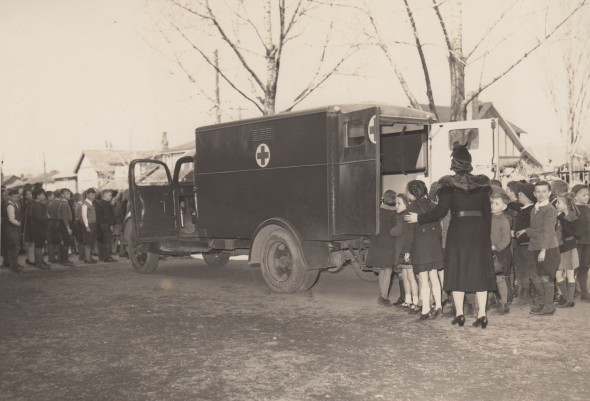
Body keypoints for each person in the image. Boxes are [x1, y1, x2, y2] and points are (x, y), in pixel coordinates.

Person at [405, 145, 496, 328]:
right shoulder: (482, 185)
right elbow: (487, 214)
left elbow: (440, 211)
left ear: (454, 164)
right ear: (469, 164)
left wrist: (419, 218)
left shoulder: (448, 185)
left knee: (457, 271)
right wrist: (486, 237)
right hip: (479, 231)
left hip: (459, 231)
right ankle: (482, 315)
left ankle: (460, 315)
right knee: (479, 272)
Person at [403, 180, 444, 321]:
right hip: (434, 246)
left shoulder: (411, 209)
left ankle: (426, 309)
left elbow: (409, 233)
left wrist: (407, 251)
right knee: (434, 277)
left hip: (421, 247)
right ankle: (438, 306)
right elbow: (439, 229)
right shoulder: (433, 206)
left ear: (412, 193)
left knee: (423, 279)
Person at [517, 181, 560, 316]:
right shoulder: (536, 207)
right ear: (534, 194)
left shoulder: (549, 210)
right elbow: (537, 228)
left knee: (547, 277)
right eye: (538, 192)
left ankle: (548, 306)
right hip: (536, 246)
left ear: (549, 193)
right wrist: (525, 231)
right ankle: (543, 303)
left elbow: (548, 231)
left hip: (547, 248)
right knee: (541, 276)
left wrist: (543, 250)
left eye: (544, 191)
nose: (541, 194)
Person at [365, 190, 398, 306]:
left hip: (377, 243)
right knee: (388, 270)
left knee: (381, 269)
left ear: (383, 199)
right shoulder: (396, 214)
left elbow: (369, 228)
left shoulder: (376, 212)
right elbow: (396, 231)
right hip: (389, 244)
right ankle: (383, 297)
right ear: (395, 200)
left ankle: (382, 294)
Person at [512, 183, 538, 304]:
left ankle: (538, 293)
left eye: (520, 194)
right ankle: (525, 291)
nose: (518, 195)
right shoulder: (523, 208)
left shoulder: (532, 210)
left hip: (528, 244)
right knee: (521, 268)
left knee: (530, 269)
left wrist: (519, 232)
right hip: (520, 244)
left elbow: (533, 227)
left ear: (526, 195)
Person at [394, 194, 419, 310]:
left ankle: (415, 301)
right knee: (404, 275)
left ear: (406, 204)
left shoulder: (407, 217)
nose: (396, 206)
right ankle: (408, 300)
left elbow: (409, 235)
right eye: (396, 203)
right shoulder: (401, 217)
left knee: (411, 276)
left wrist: (408, 251)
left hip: (408, 250)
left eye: (399, 203)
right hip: (404, 250)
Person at [554, 192, 579, 308]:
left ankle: (568, 299)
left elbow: (571, 232)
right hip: (562, 248)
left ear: (566, 204)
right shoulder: (562, 216)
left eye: (558, 202)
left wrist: (561, 219)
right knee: (560, 274)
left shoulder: (571, 217)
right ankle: (566, 298)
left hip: (568, 248)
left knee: (568, 274)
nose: (556, 205)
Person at [490, 191, 512, 315]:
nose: (493, 205)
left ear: (504, 207)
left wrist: (495, 246)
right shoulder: (489, 217)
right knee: (490, 277)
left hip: (501, 254)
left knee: (500, 278)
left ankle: (504, 303)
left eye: (497, 204)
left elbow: (506, 239)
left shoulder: (504, 221)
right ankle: (494, 299)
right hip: (489, 252)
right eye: (492, 203)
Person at [571, 184, 590, 302]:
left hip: (587, 242)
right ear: (575, 197)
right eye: (584, 195)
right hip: (577, 243)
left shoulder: (588, 209)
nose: (587, 197)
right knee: (572, 268)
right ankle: (569, 292)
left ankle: (584, 292)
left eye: (588, 195)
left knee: (584, 267)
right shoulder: (573, 210)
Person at [2, 189, 24, 273]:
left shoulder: (16, 203)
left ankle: (15, 263)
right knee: (13, 246)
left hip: (15, 228)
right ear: (10, 197)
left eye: (17, 196)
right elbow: (11, 219)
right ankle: (13, 266)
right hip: (10, 228)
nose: (16, 198)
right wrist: (18, 223)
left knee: (16, 246)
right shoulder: (9, 205)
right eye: (14, 197)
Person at [30, 188, 50, 270]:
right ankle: (39, 263)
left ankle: (40, 262)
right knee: (39, 245)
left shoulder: (37, 204)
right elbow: (39, 217)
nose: (44, 197)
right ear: (37, 196)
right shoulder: (37, 206)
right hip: (39, 228)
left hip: (39, 228)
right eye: (42, 195)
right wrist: (47, 217)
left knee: (39, 245)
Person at [95, 190, 116, 263]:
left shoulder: (97, 204)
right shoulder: (107, 204)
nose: (111, 197)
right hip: (106, 224)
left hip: (99, 225)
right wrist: (111, 225)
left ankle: (101, 257)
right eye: (110, 195)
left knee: (101, 241)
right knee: (107, 241)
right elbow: (108, 216)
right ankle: (107, 257)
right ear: (105, 195)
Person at [57, 188, 75, 266]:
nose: (69, 195)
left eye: (69, 193)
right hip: (64, 225)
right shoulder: (64, 204)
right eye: (67, 193)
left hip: (64, 224)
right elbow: (65, 217)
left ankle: (64, 259)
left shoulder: (65, 203)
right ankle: (64, 260)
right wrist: (68, 228)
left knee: (65, 242)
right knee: (66, 242)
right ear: (62, 195)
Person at [80, 189, 98, 264]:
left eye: (94, 195)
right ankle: (87, 259)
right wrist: (87, 226)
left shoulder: (91, 203)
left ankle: (89, 257)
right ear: (87, 195)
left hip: (93, 224)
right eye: (91, 195)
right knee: (87, 242)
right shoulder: (85, 204)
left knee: (91, 241)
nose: (93, 196)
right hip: (88, 224)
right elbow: (84, 216)